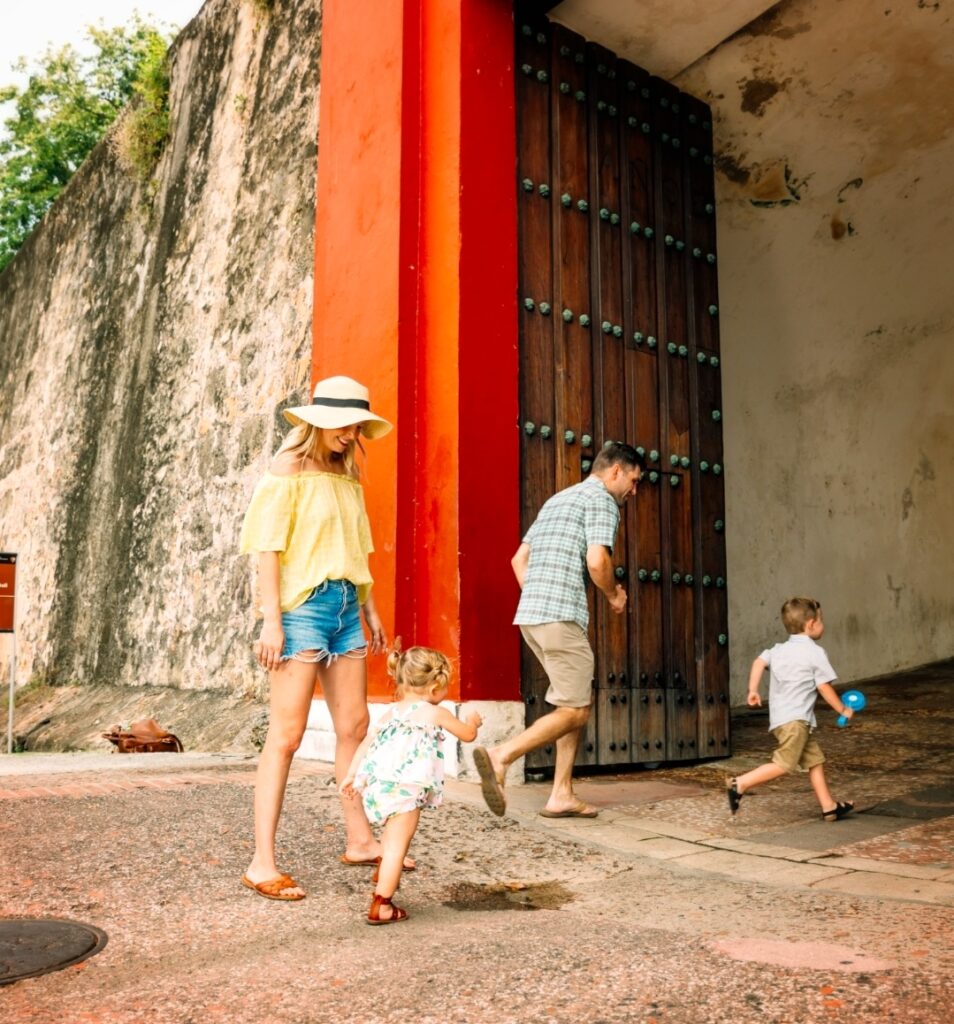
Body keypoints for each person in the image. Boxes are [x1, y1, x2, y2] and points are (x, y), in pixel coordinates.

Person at [238, 375, 399, 901]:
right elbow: (267, 548)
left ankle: (359, 839)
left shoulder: (346, 474)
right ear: (319, 422)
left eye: (357, 426)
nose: (352, 435)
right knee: (286, 735)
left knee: (355, 724)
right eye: (345, 425)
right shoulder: (286, 471)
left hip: (348, 607)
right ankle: (262, 861)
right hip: (301, 610)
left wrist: (370, 609)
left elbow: (357, 549)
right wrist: (271, 620)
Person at [472, 441, 645, 819]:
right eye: (633, 481)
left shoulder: (558, 499)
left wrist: (537, 595)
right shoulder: (601, 500)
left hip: (532, 616)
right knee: (576, 710)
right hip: (560, 616)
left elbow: (519, 559)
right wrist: (614, 595)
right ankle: (502, 755)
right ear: (615, 471)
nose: (634, 491)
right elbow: (598, 560)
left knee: (570, 702)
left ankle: (562, 793)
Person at [340, 645, 482, 924]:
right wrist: (473, 722)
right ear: (433, 688)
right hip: (407, 789)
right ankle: (382, 904)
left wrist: (351, 775)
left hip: (379, 786)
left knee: (390, 838)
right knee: (396, 846)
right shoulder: (433, 712)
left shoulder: (389, 713)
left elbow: (366, 744)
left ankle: (383, 873)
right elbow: (467, 735)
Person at [726, 596, 855, 822]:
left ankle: (829, 807)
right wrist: (843, 710)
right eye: (821, 621)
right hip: (797, 722)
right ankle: (740, 784)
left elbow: (758, 662)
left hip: (783, 720)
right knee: (784, 764)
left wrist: (752, 690)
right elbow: (824, 687)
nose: (823, 625)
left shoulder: (777, 650)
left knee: (815, 760)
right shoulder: (815, 653)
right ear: (811, 624)